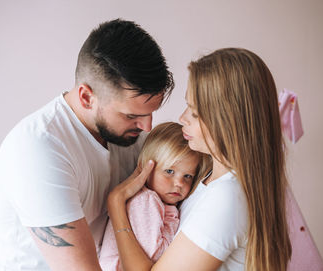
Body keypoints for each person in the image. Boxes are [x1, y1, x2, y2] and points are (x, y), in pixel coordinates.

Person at [0, 19, 174, 271]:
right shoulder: (38, 149)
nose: (147, 127)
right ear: (87, 97)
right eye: (132, 116)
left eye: (151, 113)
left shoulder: (130, 136)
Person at [107, 48, 292, 271]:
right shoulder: (207, 176)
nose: (182, 118)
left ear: (226, 120)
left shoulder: (227, 198)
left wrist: (116, 204)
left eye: (194, 112)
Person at [99, 122, 211, 270]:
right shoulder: (145, 201)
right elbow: (154, 255)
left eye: (188, 176)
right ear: (146, 167)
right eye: (169, 171)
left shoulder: (159, 202)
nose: (179, 183)